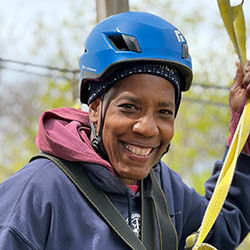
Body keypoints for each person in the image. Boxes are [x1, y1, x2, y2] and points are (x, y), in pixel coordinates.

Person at [0, 11, 249, 250]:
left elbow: (222, 227)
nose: (147, 128)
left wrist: (244, 125)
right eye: (129, 107)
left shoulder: (163, 187)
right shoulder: (37, 193)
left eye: (164, 112)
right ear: (96, 108)